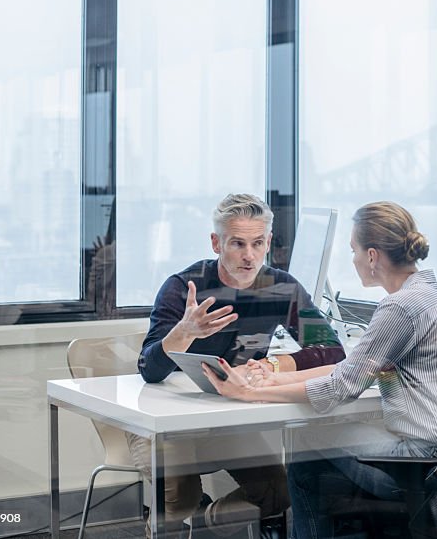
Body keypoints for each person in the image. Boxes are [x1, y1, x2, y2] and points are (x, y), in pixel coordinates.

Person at [202, 201, 437, 538]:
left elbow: (339, 388)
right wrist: (277, 377)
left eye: (354, 251)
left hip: (425, 464)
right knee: (310, 468)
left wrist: (250, 392)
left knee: (303, 441)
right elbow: (351, 369)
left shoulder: (400, 307)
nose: (354, 260)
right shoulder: (432, 295)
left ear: (373, 256)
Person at [129, 193, 346, 538]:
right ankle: (178, 517)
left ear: (269, 242)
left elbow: (332, 351)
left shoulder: (281, 287)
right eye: (237, 244)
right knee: (177, 497)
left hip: (224, 417)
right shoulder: (183, 287)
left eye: (258, 243)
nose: (249, 256)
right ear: (216, 243)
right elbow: (149, 369)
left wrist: (273, 365)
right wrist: (182, 333)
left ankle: (207, 522)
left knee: (279, 489)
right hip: (165, 422)